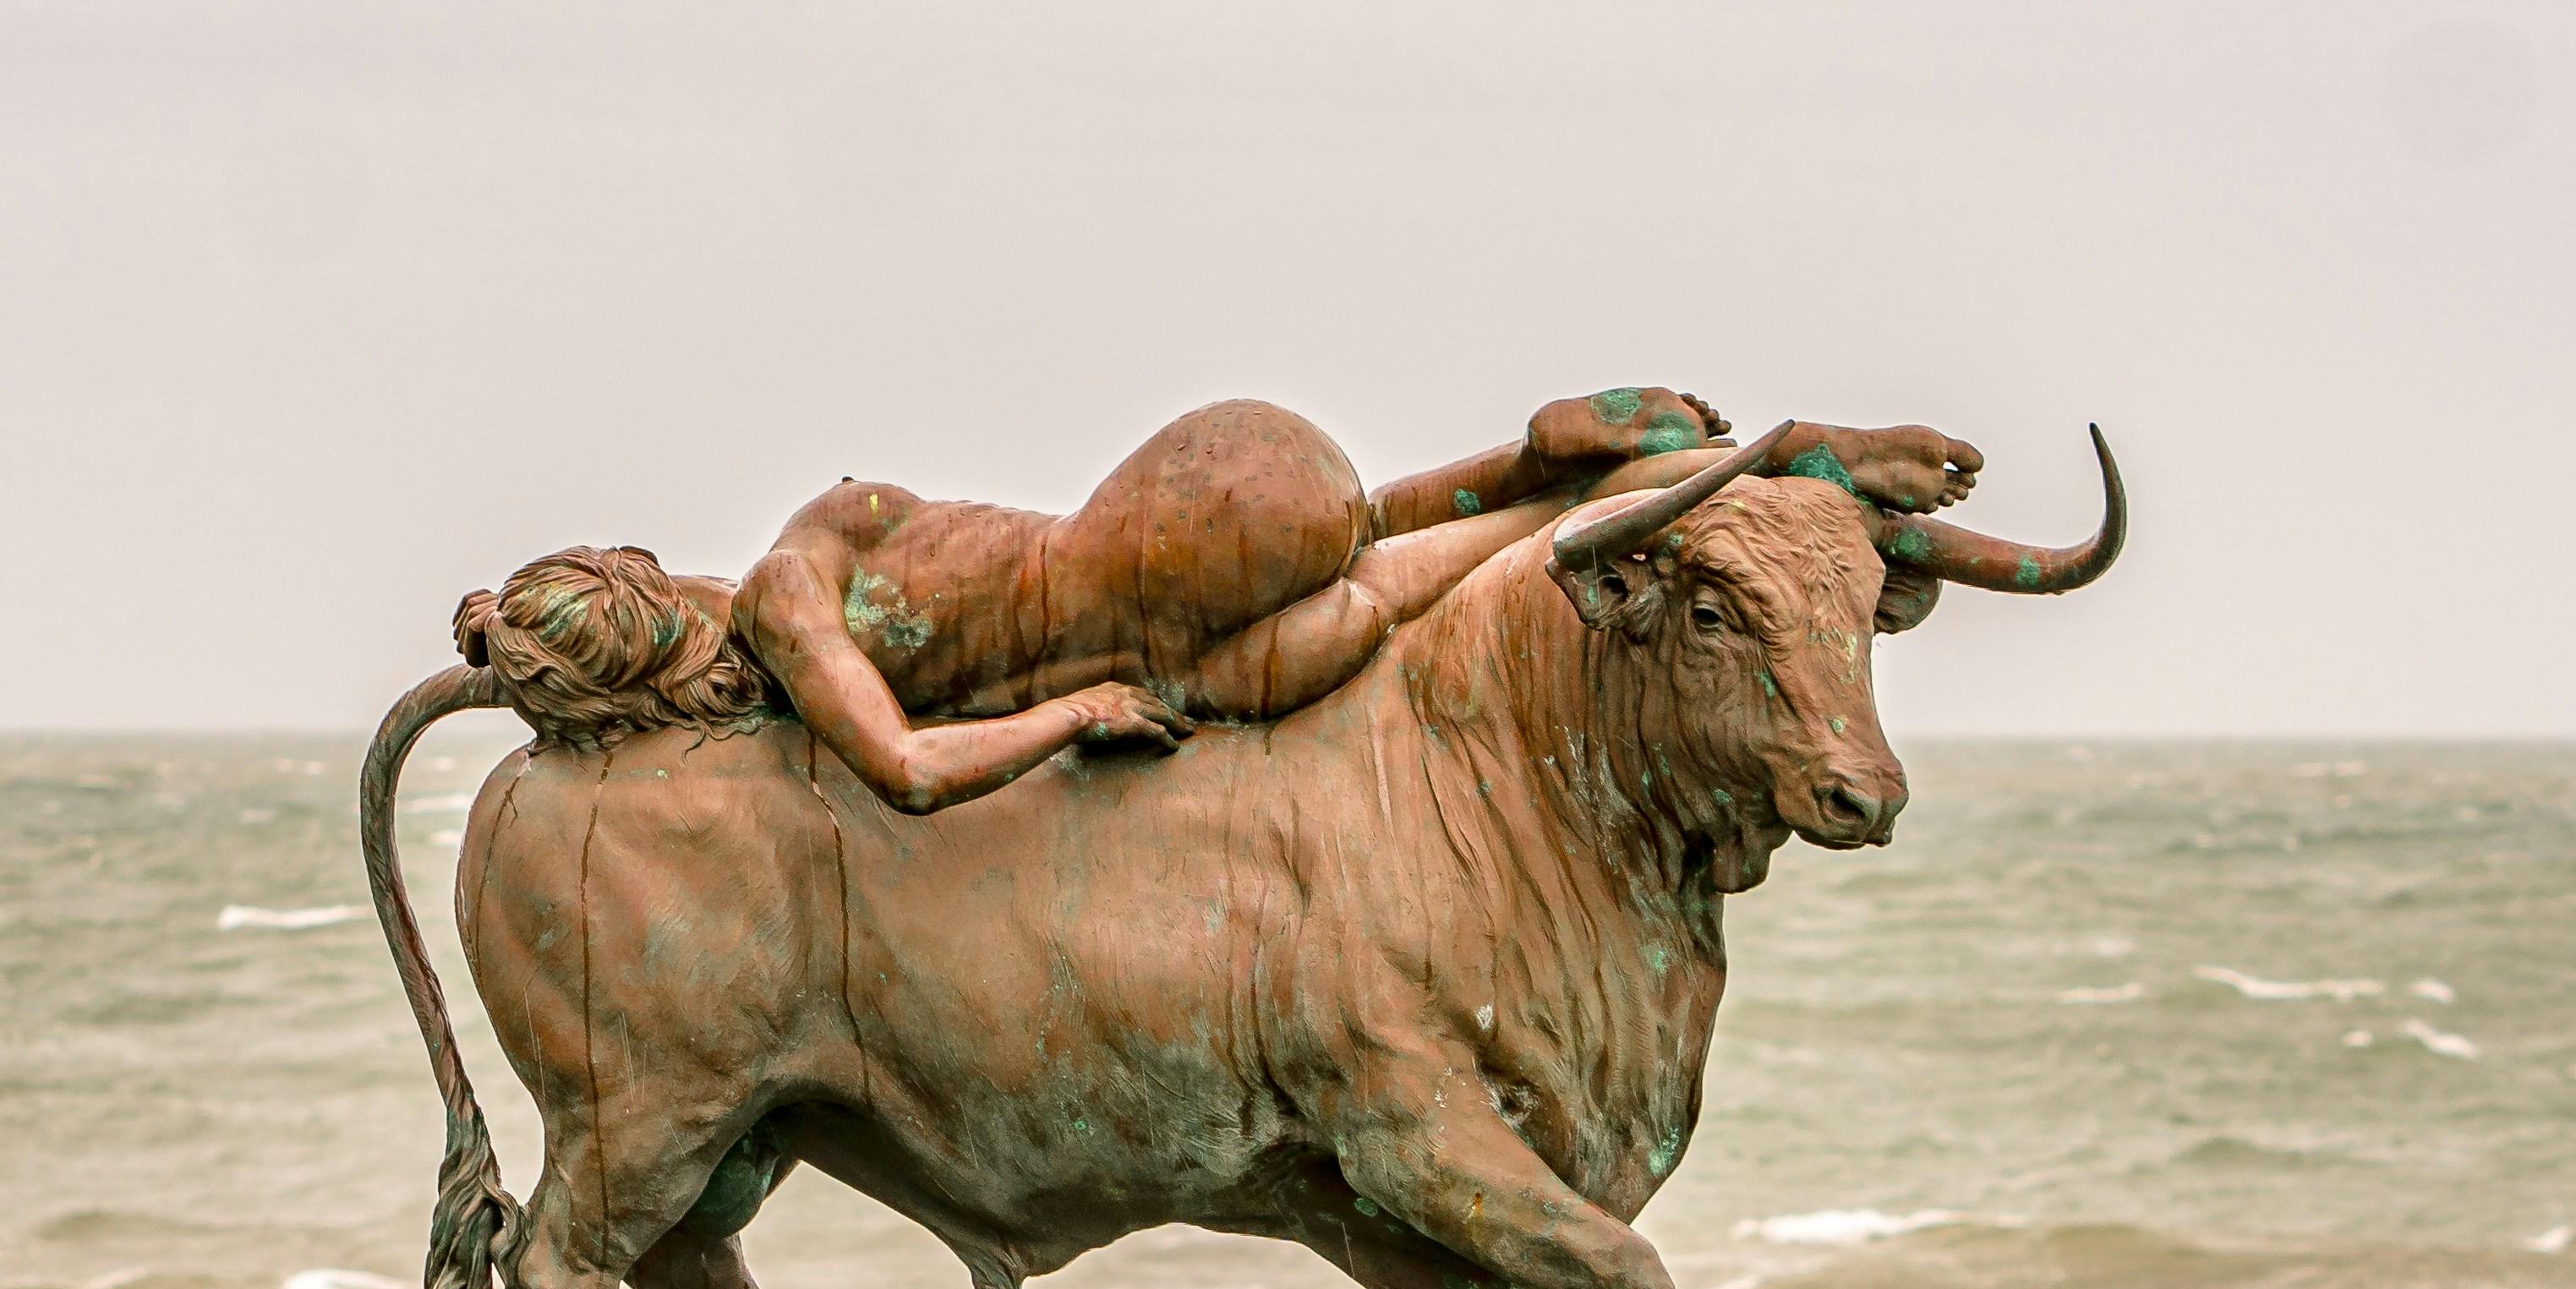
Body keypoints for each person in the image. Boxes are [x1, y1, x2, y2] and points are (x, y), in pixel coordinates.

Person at [467, 391, 1988, 814]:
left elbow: (913, 774)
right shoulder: (835, 522)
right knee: (1379, 558)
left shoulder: (794, 630)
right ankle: (1588, 460)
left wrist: (1078, 714)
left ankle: (1759, 455)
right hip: (1182, 532)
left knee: (1370, 588)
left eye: (663, 669)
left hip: (1154, 587)